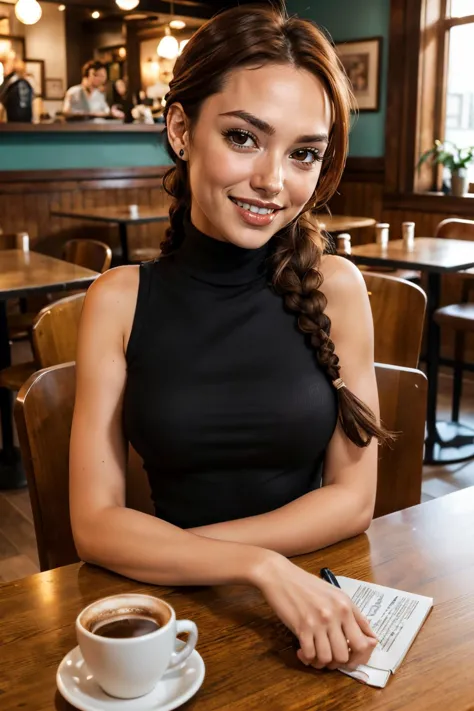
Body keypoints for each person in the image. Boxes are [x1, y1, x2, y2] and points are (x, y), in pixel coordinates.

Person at [70, 4, 391, 673]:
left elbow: (353, 498)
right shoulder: (118, 300)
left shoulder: (338, 287)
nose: (274, 181)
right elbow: (95, 522)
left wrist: (178, 548)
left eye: (304, 152)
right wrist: (255, 565)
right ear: (181, 128)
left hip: (313, 609)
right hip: (183, 617)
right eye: (245, 137)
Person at [0, 55, 34, 123]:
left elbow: (22, 112)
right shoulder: (10, 83)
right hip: (15, 125)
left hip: (16, 126)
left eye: (4, 65)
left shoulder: (18, 83)